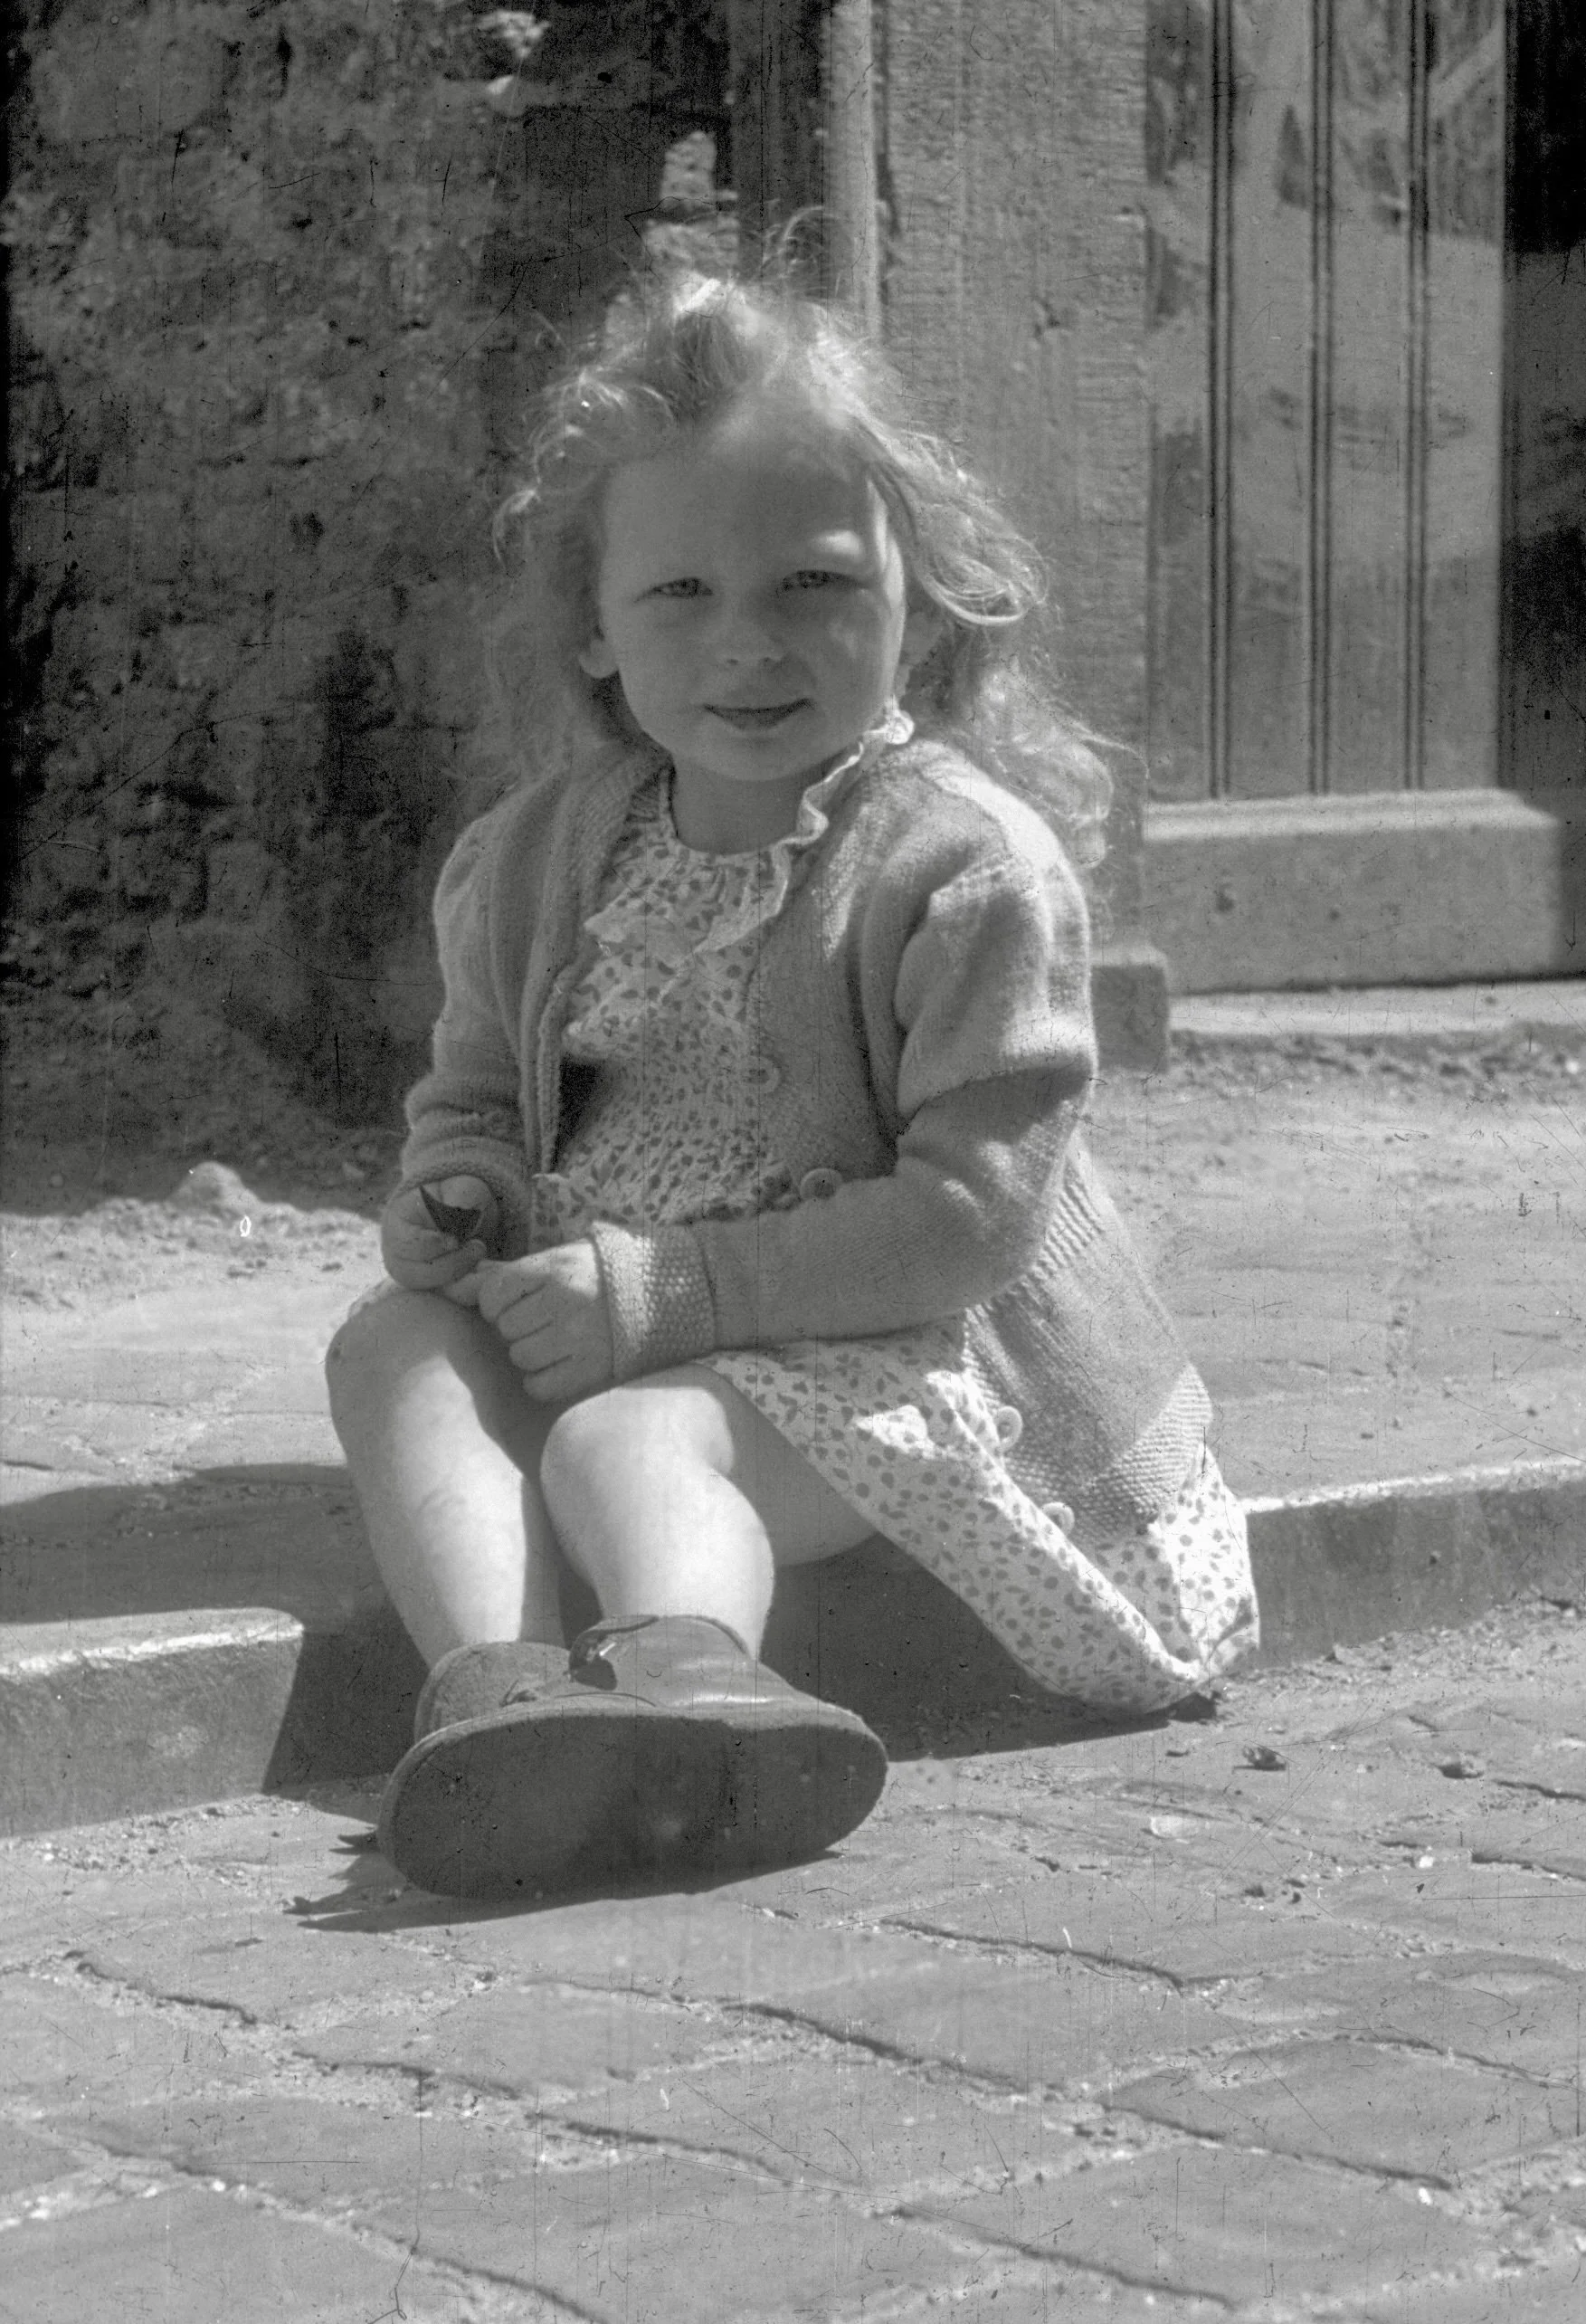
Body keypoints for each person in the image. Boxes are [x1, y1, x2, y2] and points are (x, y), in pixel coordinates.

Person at [326, 266, 1258, 1903]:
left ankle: (695, 1698)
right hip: (621, 1310)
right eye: (678, 590)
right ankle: (498, 1700)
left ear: (927, 590)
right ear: (594, 630)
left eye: (814, 582)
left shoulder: (963, 869)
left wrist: (668, 1295)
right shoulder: (538, 860)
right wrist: (461, 1193)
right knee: (388, 1343)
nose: (747, 642)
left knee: (626, 1446)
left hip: (905, 1349)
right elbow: (476, 1091)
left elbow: (969, 1220)